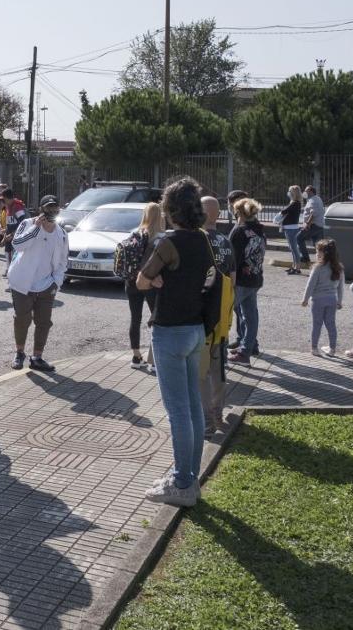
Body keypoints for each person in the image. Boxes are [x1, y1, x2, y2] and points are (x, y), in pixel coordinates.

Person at [136, 178, 220, 506]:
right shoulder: (204, 239)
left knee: (178, 411)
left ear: (171, 209)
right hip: (196, 331)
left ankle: (182, 483)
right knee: (192, 407)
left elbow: (143, 280)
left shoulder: (168, 242)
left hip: (169, 332)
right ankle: (188, 476)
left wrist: (154, 278)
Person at [6, 195, 67, 373]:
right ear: (41, 209)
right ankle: (19, 353)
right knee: (22, 319)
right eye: (48, 209)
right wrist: (35, 228)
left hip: (47, 284)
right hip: (22, 282)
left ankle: (37, 357)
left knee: (44, 322)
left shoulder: (61, 234)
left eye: (55, 209)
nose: (52, 212)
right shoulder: (28, 223)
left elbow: (63, 261)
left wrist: (56, 282)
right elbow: (17, 244)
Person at [199, 196, 236, 436]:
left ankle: (206, 421)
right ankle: (218, 412)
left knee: (200, 371)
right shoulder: (225, 241)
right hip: (222, 316)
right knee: (218, 368)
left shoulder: (197, 240)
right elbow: (233, 279)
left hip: (201, 316)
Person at [227, 198, 267, 365]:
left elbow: (231, 258)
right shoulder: (260, 229)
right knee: (251, 317)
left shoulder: (238, 231)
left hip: (240, 281)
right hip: (255, 278)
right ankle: (246, 350)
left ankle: (221, 352)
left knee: (224, 313)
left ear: (239, 213)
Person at [125, 203, 164, 370]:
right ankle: (154, 360)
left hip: (131, 281)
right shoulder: (160, 237)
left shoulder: (135, 233)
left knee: (135, 318)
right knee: (157, 319)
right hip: (150, 282)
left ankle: (136, 357)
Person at [302, 239, 344, 356]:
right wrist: (339, 301)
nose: (316, 254)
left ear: (323, 253)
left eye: (317, 251)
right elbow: (340, 288)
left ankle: (314, 348)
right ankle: (332, 349)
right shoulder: (339, 267)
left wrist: (305, 299)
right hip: (332, 300)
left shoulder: (318, 267)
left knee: (317, 324)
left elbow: (310, 285)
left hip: (318, 300)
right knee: (331, 324)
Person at [278, 185, 304, 275]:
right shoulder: (294, 202)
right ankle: (294, 266)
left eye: (289, 191)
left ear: (293, 193)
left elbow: (284, 211)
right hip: (289, 228)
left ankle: (297, 268)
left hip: (291, 229)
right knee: (292, 248)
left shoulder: (295, 203)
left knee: (294, 248)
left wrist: (281, 212)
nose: (288, 192)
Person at [296, 185, 326, 264]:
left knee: (299, 238)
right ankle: (323, 260)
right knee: (318, 245)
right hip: (319, 225)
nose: (304, 192)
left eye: (306, 191)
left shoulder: (313, 200)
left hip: (313, 225)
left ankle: (305, 257)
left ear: (311, 192)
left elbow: (313, 213)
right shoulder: (317, 199)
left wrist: (307, 224)